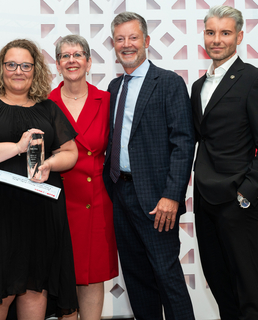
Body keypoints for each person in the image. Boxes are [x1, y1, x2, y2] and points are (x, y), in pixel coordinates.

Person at [0, 39, 79, 320]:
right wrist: (16, 147)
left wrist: (49, 163)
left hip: (41, 213)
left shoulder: (48, 108)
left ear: (35, 70)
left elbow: (70, 152)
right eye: (11, 64)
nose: (18, 71)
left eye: (26, 65)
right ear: (1, 68)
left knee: (36, 287)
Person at [102, 12, 195, 320]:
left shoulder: (168, 82)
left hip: (157, 200)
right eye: (120, 39)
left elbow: (183, 142)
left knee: (168, 278)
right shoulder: (114, 88)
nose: (127, 44)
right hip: (120, 195)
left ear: (146, 41)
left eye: (133, 37)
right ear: (113, 45)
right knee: (137, 279)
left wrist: (172, 196)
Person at [191, 5, 258, 319]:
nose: (217, 40)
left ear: (239, 36)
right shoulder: (197, 87)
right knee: (219, 283)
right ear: (204, 35)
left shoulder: (256, 80)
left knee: (247, 287)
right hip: (204, 200)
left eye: (225, 33)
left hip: (237, 200)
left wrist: (247, 193)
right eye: (211, 32)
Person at [49, 35, 118, 320]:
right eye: (65, 56)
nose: (72, 60)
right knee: (64, 274)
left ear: (89, 63)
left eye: (78, 55)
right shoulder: (45, 102)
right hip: (58, 200)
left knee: (93, 275)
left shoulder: (107, 100)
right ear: (57, 64)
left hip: (97, 201)